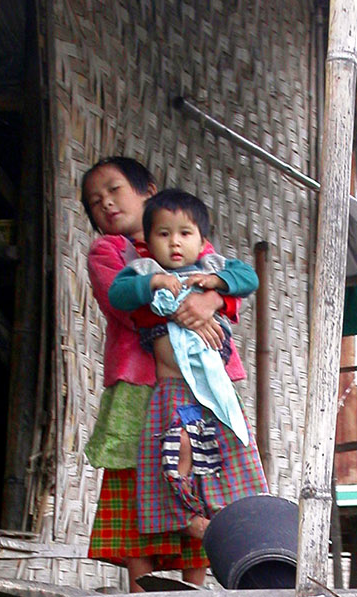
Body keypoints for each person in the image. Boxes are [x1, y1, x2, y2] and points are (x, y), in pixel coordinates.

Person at [80, 157, 238, 589]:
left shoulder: (196, 248)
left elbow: (230, 282)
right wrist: (192, 307)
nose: (107, 204)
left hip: (201, 383)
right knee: (136, 470)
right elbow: (121, 304)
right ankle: (139, 588)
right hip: (140, 384)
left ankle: (195, 584)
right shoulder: (109, 252)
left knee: (199, 469)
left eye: (115, 190)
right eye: (96, 202)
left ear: (148, 190)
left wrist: (213, 300)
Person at [109, 189, 268, 542]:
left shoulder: (213, 269)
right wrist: (153, 282)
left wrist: (217, 285)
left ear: (203, 240)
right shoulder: (143, 270)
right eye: (163, 234)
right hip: (173, 390)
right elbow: (117, 294)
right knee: (175, 449)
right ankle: (186, 517)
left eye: (185, 233)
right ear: (148, 241)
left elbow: (249, 278)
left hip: (215, 390)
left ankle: (230, 517)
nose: (174, 243)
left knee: (226, 451)